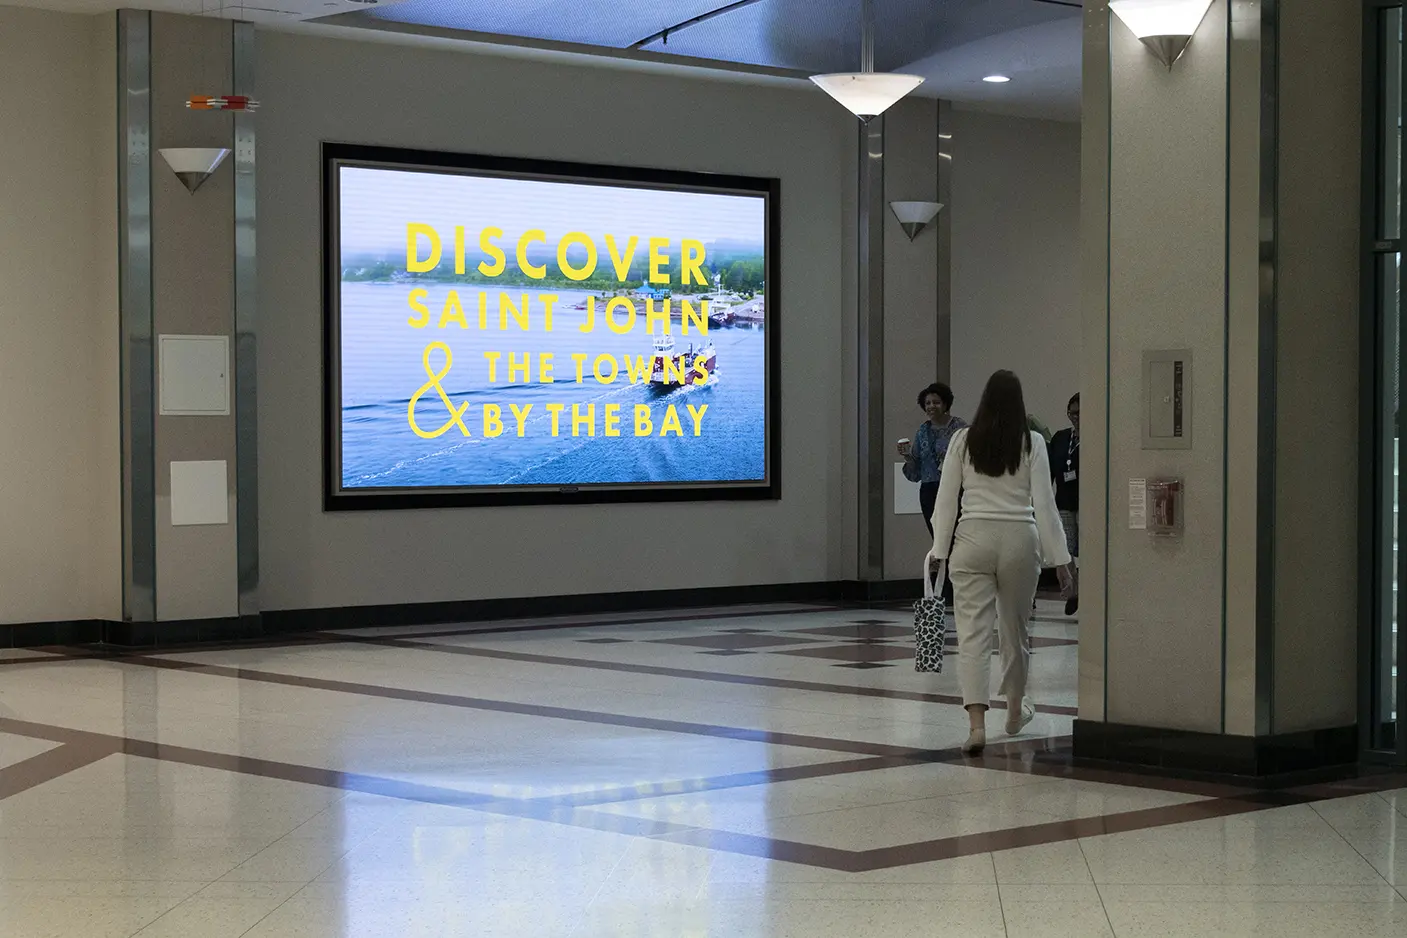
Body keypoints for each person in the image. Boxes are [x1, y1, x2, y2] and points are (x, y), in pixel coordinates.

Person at [929, 370, 1074, 754]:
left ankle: (977, 727)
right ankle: (1013, 711)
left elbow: (946, 500)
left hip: (971, 540)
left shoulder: (963, 440)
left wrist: (939, 551)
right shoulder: (1033, 442)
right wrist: (1062, 560)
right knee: (1015, 632)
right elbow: (1045, 505)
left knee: (972, 635)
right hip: (1019, 542)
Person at [899, 383, 967, 603]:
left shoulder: (960, 428)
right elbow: (916, 470)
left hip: (955, 489)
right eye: (928, 403)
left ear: (946, 404)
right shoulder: (922, 431)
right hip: (929, 490)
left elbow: (969, 459)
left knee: (956, 538)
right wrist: (907, 456)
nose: (931, 406)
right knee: (938, 539)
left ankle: (960, 586)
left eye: (936, 402)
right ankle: (942, 589)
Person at [1048, 393, 1080, 616]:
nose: (1076, 417)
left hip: (1088, 503)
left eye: (1080, 413)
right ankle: (1073, 591)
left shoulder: (1096, 436)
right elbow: (1050, 469)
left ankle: (1091, 591)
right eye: (1072, 412)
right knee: (1067, 548)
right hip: (1064, 501)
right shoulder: (1061, 438)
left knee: (1088, 548)